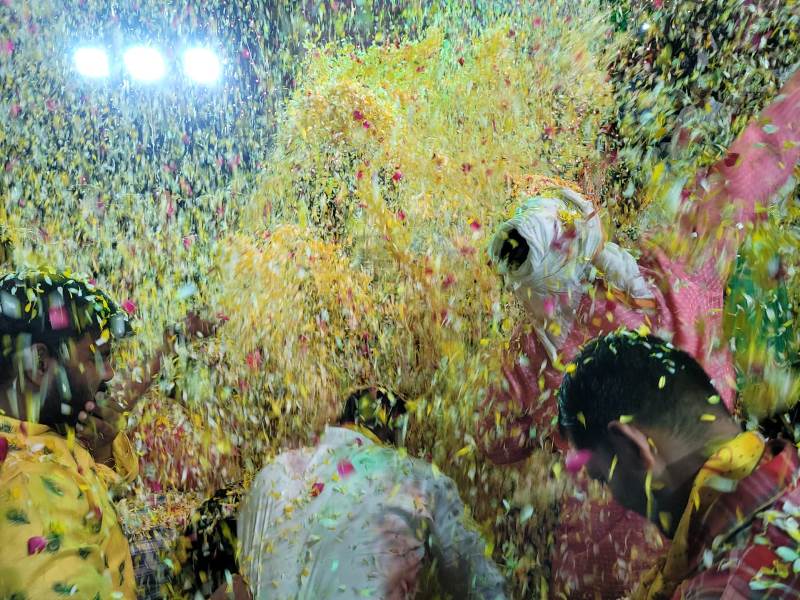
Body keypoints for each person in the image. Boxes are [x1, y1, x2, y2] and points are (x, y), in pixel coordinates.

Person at [481, 68, 800, 596]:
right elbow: (753, 168)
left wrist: (520, 333)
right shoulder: (673, 267)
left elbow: (492, 443)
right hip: (724, 511)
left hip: (599, 578)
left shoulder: (535, 361)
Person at [559, 329, 800, 598]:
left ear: (634, 449)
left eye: (603, 477)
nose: (610, 495)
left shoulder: (723, 588)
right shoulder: (787, 474)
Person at [237, 386, 508, 600]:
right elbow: (479, 584)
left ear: (341, 421)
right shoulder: (417, 477)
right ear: (395, 436)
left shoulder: (273, 473)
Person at [0, 267, 138, 599]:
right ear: (39, 363)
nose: (109, 373)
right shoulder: (24, 484)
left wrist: (101, 450)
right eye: (99, 357)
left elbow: (88, 515)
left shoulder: (36, 441)